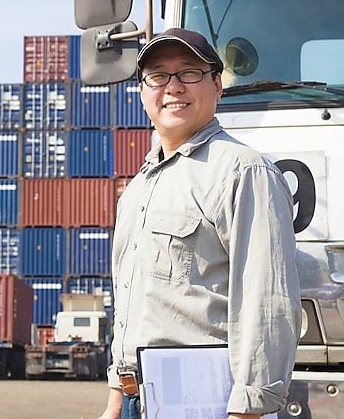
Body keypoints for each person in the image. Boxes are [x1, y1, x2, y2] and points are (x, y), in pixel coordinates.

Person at [97, 28, 301, 419]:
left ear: (217, 85)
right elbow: (128, 307)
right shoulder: (138, 189)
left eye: (189, 72)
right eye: (158, 76)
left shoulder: (244, 172)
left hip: (207, 403)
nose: (173, 87)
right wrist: (114, 401)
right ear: (143, 92)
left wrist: (249, 411)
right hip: (135, 402)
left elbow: (267, 302)